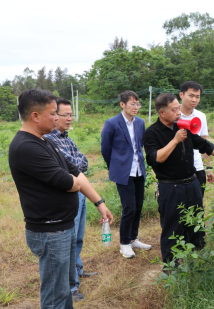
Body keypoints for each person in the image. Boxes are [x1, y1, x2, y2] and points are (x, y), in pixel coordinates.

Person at [9, 89, 113, 308]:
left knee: (64, 287)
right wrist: (73, 182)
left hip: (61, 227)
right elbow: (69, 182)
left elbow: (75, 171)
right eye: (53, 113)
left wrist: (99, 202)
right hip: (49, 231)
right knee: (55, 293)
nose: (57, 118)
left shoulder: (45, 141)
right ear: (35, 116)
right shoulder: (26, 147)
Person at [143, 93, 214, 265]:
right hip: (171, 188)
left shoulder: (182, 127)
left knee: (196, 223)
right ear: (162, 112)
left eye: (179, 108)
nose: (179, 112)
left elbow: (206, 146)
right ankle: (172, 267)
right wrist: (175, 141)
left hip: (192, 184)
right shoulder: (152, 133)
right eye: (174, 109)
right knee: (172, 227)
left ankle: (198, 261)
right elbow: (156, 158)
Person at [44, 98, 97, 301]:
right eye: (64, 115)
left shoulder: (67, 138)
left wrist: (74, 165)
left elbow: (82, 161)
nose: (68, 118)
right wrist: (74, 165)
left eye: (70, 114)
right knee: (68, 240)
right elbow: (68, 167)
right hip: (67, 194)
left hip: (80, 192)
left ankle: (78, 270)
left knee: (78, 237)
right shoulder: (50, 140)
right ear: (54, 116)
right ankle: (71, 287)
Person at [101, 90, 151, 259]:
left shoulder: (140, 123)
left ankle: (133, 238)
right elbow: (105, 149)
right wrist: (115, 166)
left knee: (138, 206)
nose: (136, 107)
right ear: (122, 104)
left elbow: (140, 146)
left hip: (139, 170)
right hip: (123, 172)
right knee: (129, 207)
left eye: (138, 104)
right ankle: (124, 244)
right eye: (132, 104)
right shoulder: (112, 123)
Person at [179, 81, 213, 197]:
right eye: (191, 96)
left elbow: (204, 143)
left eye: (197, 97)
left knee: (197, 207)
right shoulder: (173, 114)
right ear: (181, 95)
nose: (194, 100)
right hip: (177, 169)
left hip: (197, 168)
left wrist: (208, 167)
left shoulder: (201, 116)